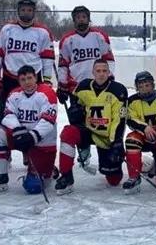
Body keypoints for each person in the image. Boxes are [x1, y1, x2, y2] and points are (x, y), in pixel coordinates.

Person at [54, 59, 129, 195]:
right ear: (93, 72)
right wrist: (66, 97)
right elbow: (75, 98)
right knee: (68, 132)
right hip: (88, 130)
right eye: (98, 71)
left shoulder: (118, 90)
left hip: (107, 137)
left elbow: (119, 120)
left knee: (114, 180)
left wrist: (117, 142)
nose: (101, 74)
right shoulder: (83, 86)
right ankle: (66, 176)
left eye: (104, 71)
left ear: (109, 72)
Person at [0, 64, 59, 195]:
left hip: (42, 142)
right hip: (21, 135)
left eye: (30, 78)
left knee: (33, 187)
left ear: (36, 78)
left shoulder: (47, 93)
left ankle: (50, 170)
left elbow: (48, 121)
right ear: (19, 81)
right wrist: (18, 130)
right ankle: (1, 176)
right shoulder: (14, 94)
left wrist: (32, 136)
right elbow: (8, 115)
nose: (27, 82)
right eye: (23, 79)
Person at [0, 0, 56, 123]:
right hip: (10, 78)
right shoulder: (7, 29)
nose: (26, 12)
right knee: (5, 116)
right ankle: (6, 140)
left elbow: (47, 59)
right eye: (23, 10)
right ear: (18, 11)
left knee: (34, 114)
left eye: (29, 10)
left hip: (34, 78)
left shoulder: (42, 32)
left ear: (34, 12)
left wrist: (47, 79)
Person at [57, 5, 116, 105]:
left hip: (99, 86)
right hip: (76, 87)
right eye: (78, 17)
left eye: (84, 17)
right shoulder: (66, 40)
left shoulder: (100, 36)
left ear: (88, 19)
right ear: (74, 20)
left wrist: (109, 77)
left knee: (99, 118)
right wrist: (62, 85)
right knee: (78, 119)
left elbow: (109, 60)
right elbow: (63, 66)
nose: (81, 20)